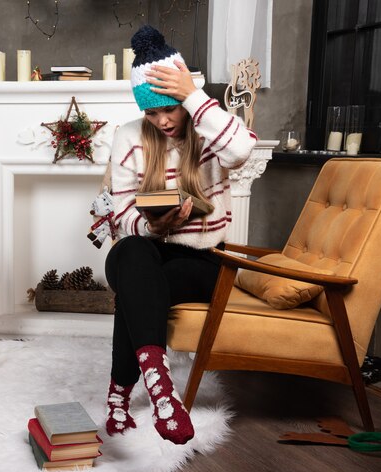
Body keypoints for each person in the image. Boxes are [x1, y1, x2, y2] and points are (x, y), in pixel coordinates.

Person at [104, 25, 257, 445]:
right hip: (151, 253)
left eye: (169, 108)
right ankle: (160, 386)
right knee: (132, 254)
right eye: (152, 113)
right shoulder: (128, 137)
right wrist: (154, 224)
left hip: (205, 262)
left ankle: (119, 395)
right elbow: (120, 218)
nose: (163, 120)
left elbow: (243, 150)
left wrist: (193, 94)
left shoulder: (208, 130)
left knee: (138, 290)